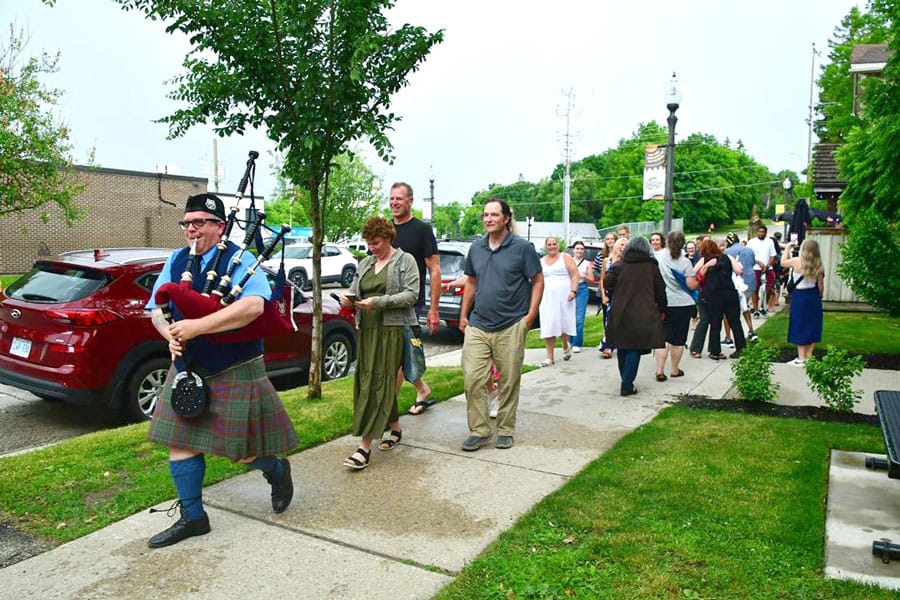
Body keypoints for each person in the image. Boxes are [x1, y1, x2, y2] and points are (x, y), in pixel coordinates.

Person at [144, 193, 297, 548]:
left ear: (220, 226)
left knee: (239, 452)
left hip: (234, 365)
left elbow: (254, 307)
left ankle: (276, 469)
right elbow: (156, 306)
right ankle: (193, 517)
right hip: (187, 367)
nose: (191, 230)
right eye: (187, 223)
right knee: (179, 443)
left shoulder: (239, 261)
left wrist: (197, 327)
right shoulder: (177, 259)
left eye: (199, 222)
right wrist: (169, 334)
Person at [459, 198, 543, 451]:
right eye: (485, 215)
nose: (488, 219)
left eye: (494, 215)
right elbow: (471, 282)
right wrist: (464, 315)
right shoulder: (476, 249)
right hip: (478, 324)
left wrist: (529, 318)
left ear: (506, 218)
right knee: (472, 379)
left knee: (508, 381)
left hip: (510, 325)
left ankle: (505, 429)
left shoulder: (522, 248)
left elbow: (537, 281)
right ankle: (480, 430)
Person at [340, 216, 418, 469]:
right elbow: (355, 290)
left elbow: (412, 295)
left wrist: (379, 302)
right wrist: (348, 300)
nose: (371, 248)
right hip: (368, 328)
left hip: (392, 329)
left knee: (380, 382)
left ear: (387, 238)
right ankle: (394, 428)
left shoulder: (405, 260)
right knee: (368, 380)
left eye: (375, 243)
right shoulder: (365, 263)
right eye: (368, 244)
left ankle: (364, 448)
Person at [388, 182, 441, 416]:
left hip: (410, 302)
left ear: (410, 201)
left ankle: (387, 411)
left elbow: (435, 269)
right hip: (386, 301)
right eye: (391, 199)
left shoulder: (421, 230)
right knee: (402, 353)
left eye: (399, 199)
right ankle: (422, 388)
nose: (394, 203)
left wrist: (434, 309)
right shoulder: (386, 230)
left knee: (399, 354)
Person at [603, 236, 667, 396]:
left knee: (622, 345)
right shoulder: (651, 266)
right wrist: (662, 308)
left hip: (620, 310)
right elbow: (660, 289)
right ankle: (627, 383)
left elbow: (607, 283)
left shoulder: (619, 265)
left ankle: (625, 379)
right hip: (643, 312)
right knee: (635, 347)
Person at [653, 231, 697, 381]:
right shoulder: (685, 262)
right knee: (678, 339)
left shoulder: (659, 258)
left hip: (664, 302)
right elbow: (691, 285)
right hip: (683, 304)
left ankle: (659, 370)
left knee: (663, 337)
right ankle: (674, 369)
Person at [695, 238, 745, 360]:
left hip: (713, 295)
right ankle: (741, 349)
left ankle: (715, 351)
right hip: (729, 293)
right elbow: (739, 270)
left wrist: (707, 267)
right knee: (735, 322)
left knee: (715, 323)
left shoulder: (704, 260)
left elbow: (694, 273)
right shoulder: (728, 257)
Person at [780, 238, 824, 365]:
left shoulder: (796, 262)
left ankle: (801, 357)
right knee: (813, 325)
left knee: (799, 324)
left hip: (799, 296)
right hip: (813, 296)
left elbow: (783, 262)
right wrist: (819, 297)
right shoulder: (819, 264)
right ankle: (809, 357)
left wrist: (787, 248)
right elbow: (820, 285)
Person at [538, 236, 579, 366]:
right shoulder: (541, 261)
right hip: (547, 297)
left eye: (554, 244)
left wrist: (573, 291)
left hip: (564, 296)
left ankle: (565, 345)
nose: (552, 247)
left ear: (558, 245)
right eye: (549, 245)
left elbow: (575, 274)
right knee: (549, 323)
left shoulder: (565, 257)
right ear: (545, 247)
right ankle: (549, 357)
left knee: (562, 324)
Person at [723, 232, 759, 343]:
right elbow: (752, 264)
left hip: (736, 283)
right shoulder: (749, 250)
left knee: (727, 311)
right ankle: (751, 330)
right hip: (750, 282)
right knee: (745, 307)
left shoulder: (727, 252)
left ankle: (728, 337)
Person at [599, 237, 628, 359]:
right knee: (608, 320)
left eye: (625, 245)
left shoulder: (628, 262)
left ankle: (621, 343)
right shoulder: (607, 260)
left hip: (623, 294)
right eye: (621, 245)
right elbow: (602, 279)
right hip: (609, 293)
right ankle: (607, 346)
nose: (622, 247)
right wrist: (603, 295)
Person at [746, 224, 776, 318]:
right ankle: (755, 310)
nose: (761, 233)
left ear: (766, 233)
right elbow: (748, 255)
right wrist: (758, 262)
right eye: (759, 232)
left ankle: (763, 307)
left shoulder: (770, 242)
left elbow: (773, 255)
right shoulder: (751, 242)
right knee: (755, 288)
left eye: (763, 232)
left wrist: (767, 265)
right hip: (755, 268)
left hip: (768, 268)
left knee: (770, 286)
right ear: (757, 232)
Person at [570, 240, 594, 352]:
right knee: (569, 315)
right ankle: (569, 340)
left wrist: (583, 276)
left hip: (582, 289)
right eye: (577, 248)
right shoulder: (569, 261)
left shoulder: (587, 263)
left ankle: (577, 342)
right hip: (569, 289)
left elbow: (592, 280)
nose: (579, 251)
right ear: (573, 250)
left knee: (579, 317)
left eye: (581, 249)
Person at [593, 232, 617, 315]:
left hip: (616, 288)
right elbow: (595, 271)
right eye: (607, 239)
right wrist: (604, 277)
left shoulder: (620, 254)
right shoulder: (601, 254)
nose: (610, 241)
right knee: (605, 313)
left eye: (612, 239)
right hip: (604, 288)